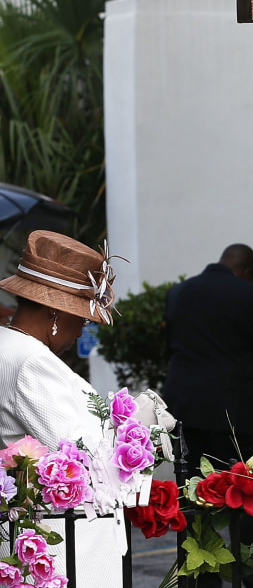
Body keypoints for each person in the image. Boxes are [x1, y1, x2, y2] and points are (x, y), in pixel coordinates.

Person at [0, 230, 123, 586]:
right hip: (66, 546)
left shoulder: (8, 345)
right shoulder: (30, 360)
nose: (81, 330)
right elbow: (83, 454)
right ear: (55, 312)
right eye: (81, 319)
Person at [162, 243, 253, 587]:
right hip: (236, 415)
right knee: (248, 500)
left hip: (185, 412)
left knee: (195, 499)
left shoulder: (178, 293)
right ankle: (252, 575)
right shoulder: (250, 295)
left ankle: (201, 577)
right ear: (247, 272)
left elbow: (170, 348)